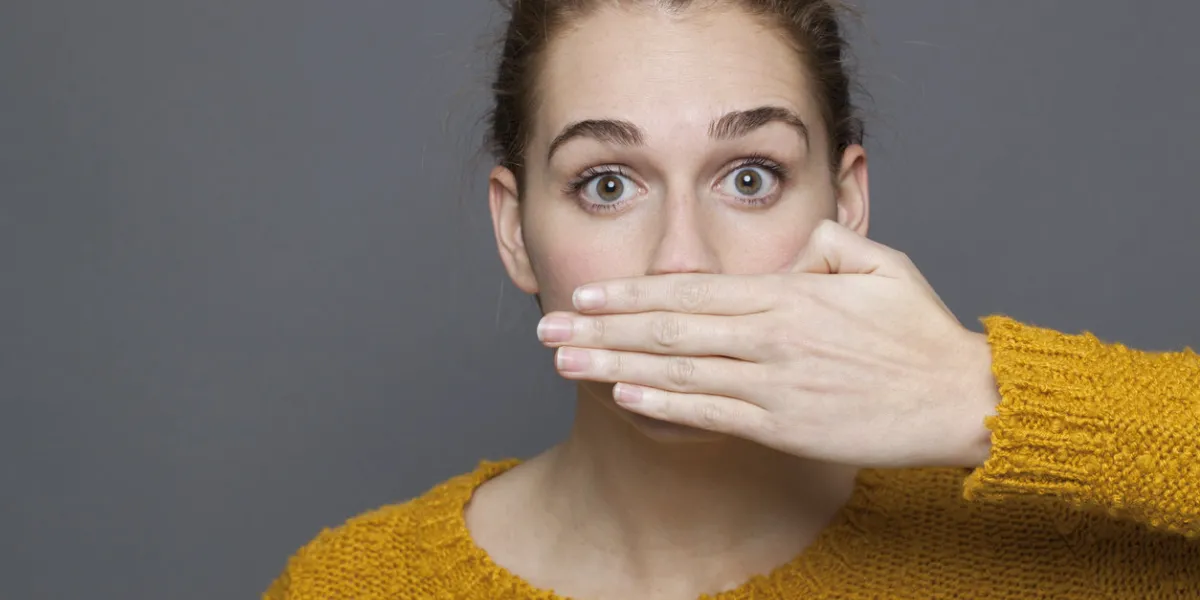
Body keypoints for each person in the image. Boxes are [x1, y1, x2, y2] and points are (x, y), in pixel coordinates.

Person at [263, 1, 1200, 598]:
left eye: (749, 178)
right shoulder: (354, 586)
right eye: (607, 183)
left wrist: (987, 397)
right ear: (515, 229)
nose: (682, 260)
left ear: (848, 204)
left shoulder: (1058, 563)